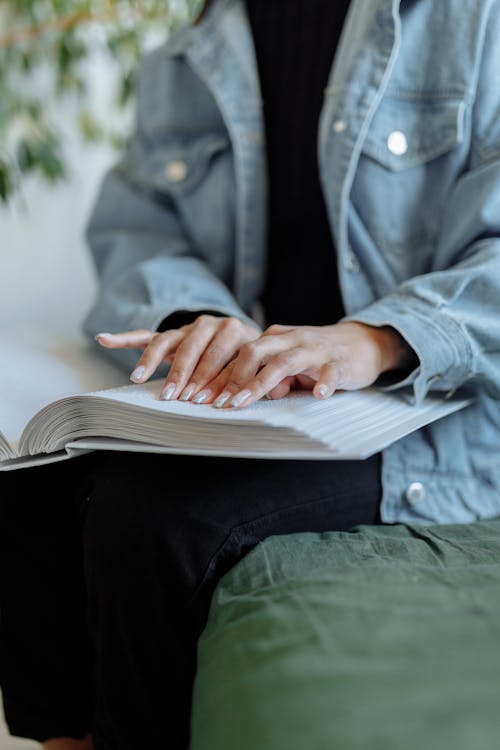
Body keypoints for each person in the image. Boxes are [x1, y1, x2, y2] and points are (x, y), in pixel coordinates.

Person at [2, 0, 500, 748]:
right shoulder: (194, 43)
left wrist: (373, 340)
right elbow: (138, 226)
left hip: (433, 409)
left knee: (144, 521)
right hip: (262, 392)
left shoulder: (477, 22)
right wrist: (193, 324)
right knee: (29, 468)